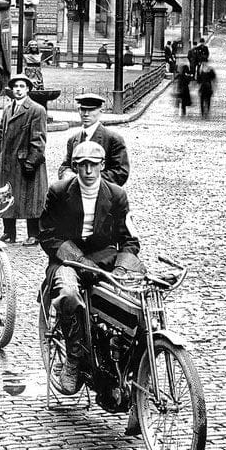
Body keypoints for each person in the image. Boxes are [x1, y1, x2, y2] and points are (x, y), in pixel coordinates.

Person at [38, 140, 142, 398]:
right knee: (69, 295)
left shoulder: (116, 195)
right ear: (74, 166)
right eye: (82, 165)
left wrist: (121, 272)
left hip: (105, 261)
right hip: (67, 260)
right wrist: (79, 260)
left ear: (102, 165)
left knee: (136, 298)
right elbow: (48, 235)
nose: (87, 171)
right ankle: (73, 358)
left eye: (93, 165)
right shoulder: (59, 192)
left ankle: (126, 361)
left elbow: (130, 239)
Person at [0, 73, 48, 246]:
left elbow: (38, 140)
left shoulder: (36, 109)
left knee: (30, 199)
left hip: (26, 162)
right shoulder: (8, 109)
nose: (18, 90)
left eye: (22, 86)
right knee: (7, 196)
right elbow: (0, 135)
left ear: (28, 89)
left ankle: (34, 234)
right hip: (8, 162)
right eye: (15, 86)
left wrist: (32, 161)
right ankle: (8, 233)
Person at [58, 94, 130, 186]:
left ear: (100, 111)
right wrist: (67, 174)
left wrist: (86, 180)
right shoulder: (73, 139)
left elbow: (121, 172)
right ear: (79, 111)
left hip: (103, 193)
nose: (86, 114)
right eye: (83, 109)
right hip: (75, 194)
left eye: (91, 110)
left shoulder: (113, 139)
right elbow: (65, 166)